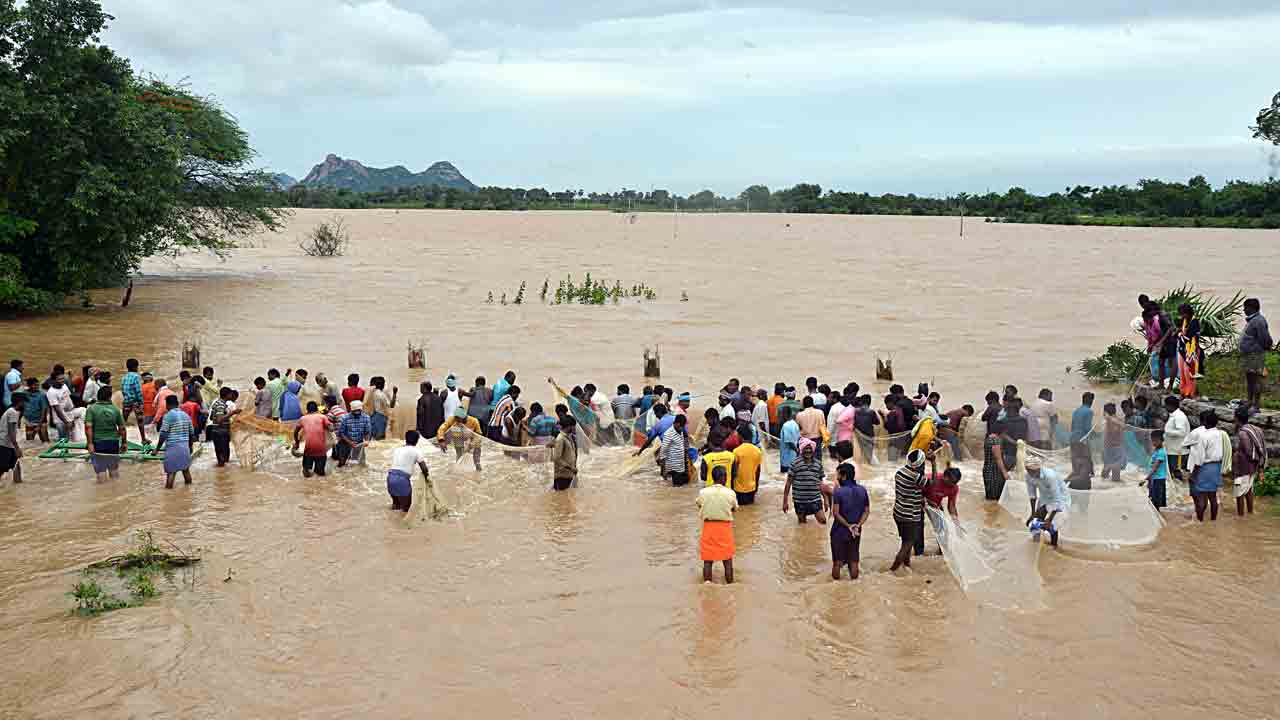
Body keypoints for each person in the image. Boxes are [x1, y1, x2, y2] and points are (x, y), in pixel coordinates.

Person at [1186, 409, 1230, 522]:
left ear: (1205, 422)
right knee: (1213, 497)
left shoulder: (1203, 436)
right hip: (1216, 468)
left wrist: (1193, 474)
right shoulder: (1222, 434)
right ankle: (1213, 521)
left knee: (1201, 498)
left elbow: (1199, 458)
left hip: (1205, 468)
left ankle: (1200, 522)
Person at [697, 465, 738, 583]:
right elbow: (735, 508)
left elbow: (699, 504)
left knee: (708, 560)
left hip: (708, 527)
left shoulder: (703, 492)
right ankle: (730, 585)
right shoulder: (730, 493)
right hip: (724, 528)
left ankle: (707, 585)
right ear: (724, 477)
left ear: (713, 477)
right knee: (727, 560)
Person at [829, 462, 869, 580]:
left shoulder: (839, 492)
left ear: (844, 476)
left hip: (839, 531)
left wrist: (848, 526)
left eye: (838, 475)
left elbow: (836, 513)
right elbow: (866, 511)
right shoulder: (863, 490)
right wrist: (857, 525)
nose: (837, 478)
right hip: (856, 531)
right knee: (854, 561)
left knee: (838, 562)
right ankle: (854, 588)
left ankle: (836, 588)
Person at [891, 449, 928, 571]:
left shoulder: (900, 472)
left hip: (898, 512)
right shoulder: (916, 477)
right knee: (908, 544)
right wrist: (933, 464)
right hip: (910, 516)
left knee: (905, 541)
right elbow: (931, 483)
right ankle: (893, 570)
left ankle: (906, 566)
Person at [1025, 456, 1071, 547]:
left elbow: (1057, 499)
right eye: (1027, 470)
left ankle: (1054, 547)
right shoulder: (1028, 476)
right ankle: (1036, 545)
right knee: (1034, 523)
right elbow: (1032, 495)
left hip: (1061, 500)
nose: (1028, 472)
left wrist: (1049, 519)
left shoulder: (1050, 476)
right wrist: (1033, 513)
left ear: (1037, 469)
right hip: (1045, 499)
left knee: (1052, 527)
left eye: (1030, 470)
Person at [920, 457, 961, 555]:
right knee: (918, 528)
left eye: (955, 483)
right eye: (951, 482)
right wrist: (926, 501)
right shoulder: (931, 479)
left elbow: (951, 506)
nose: (953, 485)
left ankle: (942, 552)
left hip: (935, 505)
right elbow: (915, 492)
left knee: (943, 529)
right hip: (919, 502)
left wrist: (956, 523)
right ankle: (919, 553)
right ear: (944, 477)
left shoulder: (954, 488)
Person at [85, 386, 126, 482]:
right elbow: (122, 428)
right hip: (113, 443)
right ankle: (115, 492)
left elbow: (88, 427)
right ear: (109, 397)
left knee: (101, 471)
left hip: (98, 443)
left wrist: (90, 444)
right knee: (114, 469)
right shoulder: (115, 410)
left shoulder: (91, 409)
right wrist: (124, 443)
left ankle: (102, 494)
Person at [1232, 406, 1267, 517]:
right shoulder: (1255, 429)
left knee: (1239, 493)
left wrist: (1237, 454)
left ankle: (1241, 518)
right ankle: (1250, 513)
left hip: (1243, 468)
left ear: (1237, 418)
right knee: (1248, 490)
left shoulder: (1243, 433)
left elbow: (1248, 451)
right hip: (1253, 467)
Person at [1240, 298, 1273, 411]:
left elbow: (1265, 339)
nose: (1244, 310)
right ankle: (1250, 401)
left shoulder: (1258, 321)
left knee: (1256, 379)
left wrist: (1262, 349)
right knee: (1250, 379)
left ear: (1252, 308)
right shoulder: (1253, 320)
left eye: (1245, 307)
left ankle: (1256, 404)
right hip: (1250, 355)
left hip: (1255, 355)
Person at [783, 438, 826, 523]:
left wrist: (825, 500)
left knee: (823, 521)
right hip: (799, 501)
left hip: (815, 499)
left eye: (810, 448)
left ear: (813, 450)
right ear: (801, 450)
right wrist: (785, 501)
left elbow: (821, 483)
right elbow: (788, 483)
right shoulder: (795, 463)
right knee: (802, 525)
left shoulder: (818, 464)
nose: (808, 451)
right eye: (805, 448)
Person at [158, 395, 195, 489]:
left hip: (172, 448)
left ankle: (169, 496)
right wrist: (190, 447)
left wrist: (157, 449)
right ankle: (189, 492)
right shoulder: (186, 415)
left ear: (167, 405)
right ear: (177, 404)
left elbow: (163, 434)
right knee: (186, 470)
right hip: (185, 447)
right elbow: (192, 434)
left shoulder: (168, 416)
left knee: (171, 473)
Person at [387, 431, 429, 512]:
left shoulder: (397, 449)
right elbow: (424, 468)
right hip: (402, 480)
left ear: (406, 439)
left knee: (396, 506)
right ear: (417, 441)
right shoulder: (417, 451)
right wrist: (427, 478)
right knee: (406, 510)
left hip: (390, 477)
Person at [292, 402, 333, 478]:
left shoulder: (303, 418)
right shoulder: (322, 417)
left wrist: (297, 443)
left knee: (306, 474)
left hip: (309, 450)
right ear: (317, 409)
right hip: (321, 451)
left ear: (307, 410)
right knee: (320, 475)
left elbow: (295, 432)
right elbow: (331, 429)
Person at [436, 406, 483, 471]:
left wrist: (471, 445)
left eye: (458, 418)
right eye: (455, 417)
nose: (456, 419)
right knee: (459, 456)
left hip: (471, 440)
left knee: (477, 456)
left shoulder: (474, 421)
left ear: (463, 417)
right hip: (458, 438)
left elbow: (479, 435)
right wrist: (441, 440)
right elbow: (442, 428)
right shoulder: (452, 419)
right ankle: (459, 471)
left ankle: (478, 467)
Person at [337, 400, 374, 468]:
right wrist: (350, 442)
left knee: (359, 464)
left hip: (359, 443)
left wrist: (366, 440)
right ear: (351, 410)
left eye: (358, 410)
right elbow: (341, 433)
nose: (357, 412)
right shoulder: (344, 418)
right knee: (342, 463)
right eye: (355, 411)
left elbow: (367, 432)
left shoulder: (366, 418)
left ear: (361, 410)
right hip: (345, 443)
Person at [208, 386, 239, 467]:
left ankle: (221, 475)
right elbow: (219, 420)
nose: (232, 396)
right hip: (221, 433)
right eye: (230, 394)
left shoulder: (217, 403)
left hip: (216, 432)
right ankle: (224, 475)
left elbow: (211, 417)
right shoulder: (221, 405)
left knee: (220, 457)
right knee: (224, 458)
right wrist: (233, 413)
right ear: (227, 395)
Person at [731, 428, 763, 506]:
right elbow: (758, 470)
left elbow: (733, 471)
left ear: (740, 437)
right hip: (752, 488)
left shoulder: (736, 451)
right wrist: (756, 486)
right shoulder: (758, 451)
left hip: (738, 489)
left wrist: (731, 487)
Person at [1069, 392, 1095, 486]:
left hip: (1073, 439)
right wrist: (1095, 435)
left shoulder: (1076, 411)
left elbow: (1072, 427)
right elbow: (1087, 428)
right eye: (1092, 400)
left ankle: (1071, 483)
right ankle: (1082, 482)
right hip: (1082, 440)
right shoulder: (1089, 411)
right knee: (1086, 462)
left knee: (1076, 465)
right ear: (1090, 400)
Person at [659, 414, 692, 486]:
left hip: (681, 464)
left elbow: (683, 444)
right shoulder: (668, 434)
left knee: (686, 482)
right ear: (676, 423)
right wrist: (663, 469)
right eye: (681, 426)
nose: (682, 428)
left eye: (683, 426)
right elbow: (663, 450)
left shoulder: (680, 431)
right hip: (674, 466)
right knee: (677, 485)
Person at [1163, 396, 1189, 482]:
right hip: (1172, 450)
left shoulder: (1179, 417)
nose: (1165, 407)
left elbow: (1182, 432)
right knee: (1172, 472)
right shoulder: (1173, 416)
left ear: (1170, 406)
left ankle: (1180, 491)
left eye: (1166, 405)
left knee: (1177, 472)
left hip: (1178, 451)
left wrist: (1167, 432)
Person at [0, 392, 25, 484]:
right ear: (20, 402)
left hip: (7, 443)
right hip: (4, 444)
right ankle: (18, 482)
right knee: (2, 467)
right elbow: (11, 433)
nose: (25, 404)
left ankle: (18, 484)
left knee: (16, 464)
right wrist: (17, 448)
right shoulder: (13, 412)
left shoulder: (11, 411)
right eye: (24, 402)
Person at [1142, 430, 1169, 510]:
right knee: (1152, 497)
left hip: (1158, 479)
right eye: (1152, 440)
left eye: (1156, 441)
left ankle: (1157, 516)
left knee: (1156, 500)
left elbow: (1155, 467)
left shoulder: (1161, 452)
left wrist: (1146, 478)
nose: (1154, 442)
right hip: (1154, 478)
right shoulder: (1156, 450)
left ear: (1161, 440)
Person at [982, 420, 1009, 501]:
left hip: (987, 470)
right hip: (994, 473)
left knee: (990, 498)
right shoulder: (995, 441)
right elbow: (998, 458)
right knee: (996, 499)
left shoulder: (988, 438)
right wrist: (1004, 473)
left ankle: (989, 512)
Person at [551, 416, 579, 491]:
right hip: (562, 476)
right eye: (574, 426)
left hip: (569, 475)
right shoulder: (560, 439)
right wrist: (571, 468)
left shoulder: (569, 437)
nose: (575, 428)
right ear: (569, 426)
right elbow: (556, 458)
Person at [795, 396, 826, 462]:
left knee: (804, 461)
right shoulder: (820, 412)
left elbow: (797, 428)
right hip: (817, 439)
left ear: (803, 404)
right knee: (817, 461)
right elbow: (823, 426)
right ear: (813, 403)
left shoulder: (799, 415)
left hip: (804, 440)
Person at [46, 373, 75, 441]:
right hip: (60, 419)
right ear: (53, 380)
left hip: (69, 414)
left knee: (70, 439)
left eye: (63, 378)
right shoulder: (51, 392)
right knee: (63, 441)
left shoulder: (64, 386)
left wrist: (72, 412)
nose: (62, 380)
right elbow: (57, 409)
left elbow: (69, 398)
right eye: (59, 379)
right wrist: (66, 422)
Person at [22, 377, 49, 442]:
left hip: (41, 422)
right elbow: (22, 407)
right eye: (34, 385)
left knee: (45, 442)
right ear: (29, 385)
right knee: (29, 443)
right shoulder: (24, 394)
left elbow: (44, 410)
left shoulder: (42, 395)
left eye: (38, 385)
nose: (37, 387)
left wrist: (39, 425)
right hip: (29, 422)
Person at [779, 406, 800, 473]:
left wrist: (797, 451)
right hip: (794, 458)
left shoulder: (786, 426)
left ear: (785, 414)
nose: (780, 416)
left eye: (781, 414)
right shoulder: (794, 423)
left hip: (787, 459)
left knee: (785, 477)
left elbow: (790, 442)